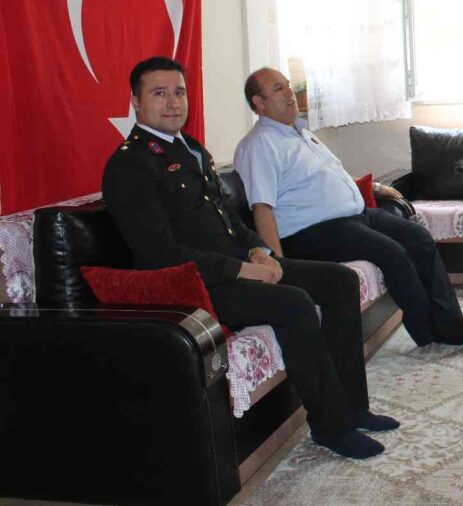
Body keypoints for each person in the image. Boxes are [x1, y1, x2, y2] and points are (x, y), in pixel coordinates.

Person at [103, 57, 397, 460]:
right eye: (159, 93)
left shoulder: (190, 148)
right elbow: (160, 253)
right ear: (136, 102)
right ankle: (331, 426)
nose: (173, 103)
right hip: (193, 285)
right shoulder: (130, 164)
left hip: (236, 267)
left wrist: (260, 250)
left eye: (179, 92)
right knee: (293, 302)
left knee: (338, 280)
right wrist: (244, 269)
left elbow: (226, 218)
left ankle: (352, 407)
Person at [233, 68, 463, 348]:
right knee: (394, 254)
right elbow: (262, 207)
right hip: (315, 231)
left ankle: (450, 322)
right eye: (278, 88)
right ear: (259, 102)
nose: (289, 92)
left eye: (287, 85)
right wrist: (281, 265)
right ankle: (428, 332)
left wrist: (376, 188)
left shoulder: (300, 134)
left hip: (355, 216)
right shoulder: (259, 145)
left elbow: (331, 174)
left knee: (419, 238)